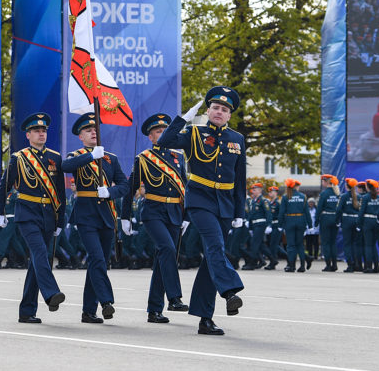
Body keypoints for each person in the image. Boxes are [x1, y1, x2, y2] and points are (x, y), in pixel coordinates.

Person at [157, 86, 245, 336]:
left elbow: (240, 178)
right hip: (200, 201)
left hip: (225, 204)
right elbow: (164, 142)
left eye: (225, 109)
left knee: (210, 262)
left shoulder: (237, 139)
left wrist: (240, 211)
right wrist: (182, 119)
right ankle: (230, 290)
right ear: (208, 110)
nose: (219, 111)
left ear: (229, 115)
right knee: (215, 246)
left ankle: (205, 319)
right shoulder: (193, 132)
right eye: (216, 107)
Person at [0, 112, 67, 323]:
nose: (41, 134)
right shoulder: (19, 157)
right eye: (36, 131)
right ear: (28, 135)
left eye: (44, 130)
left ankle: (27, 311)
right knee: (40, 253)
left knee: (37, 263)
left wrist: (60, 221)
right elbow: (4, 186)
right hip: (27, 214)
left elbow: (60, 193)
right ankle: (51, 293)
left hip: (48, 216)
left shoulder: (55, 158)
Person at [122, 113, 189, 323]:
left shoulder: (178, 157)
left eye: (165, 130)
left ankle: (154, 310)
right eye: (158, 132)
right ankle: (174, 297)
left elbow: (185, 187)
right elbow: (131, 188)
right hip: (153, 212)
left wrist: (187, 215)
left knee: (163, 259)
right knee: (167, 249)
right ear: (150, 137)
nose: (163, 134)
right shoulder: (143, 158)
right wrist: (125, 216)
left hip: (175, 213)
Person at [62, 113, 128, 324]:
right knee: (97, 258)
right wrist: (91, 156)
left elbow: (124, 186)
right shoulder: (77, 155)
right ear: (81, 136)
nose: (93, 133)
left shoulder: (111, 158)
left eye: (95, 130)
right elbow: (66, 167)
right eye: (88, 131)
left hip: (107, 215)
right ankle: (106, 302)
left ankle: (88, 311)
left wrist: (110, 192)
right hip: (86, 215)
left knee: (97, 262)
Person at [279, 179, 312, 272]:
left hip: (289, 221)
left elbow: (282, 212)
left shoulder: (285, 197)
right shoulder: (303, 196)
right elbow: (307, 212)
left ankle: (292, 266)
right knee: (300, 244)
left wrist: (279, 224)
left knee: (290, 245)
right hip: (301, 220)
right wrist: (310, 225)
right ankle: (302, 266)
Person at [336, 178, 361, 272]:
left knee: (347, 244)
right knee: (354, 243)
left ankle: (350, 265)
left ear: (347, 186)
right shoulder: (358, 196)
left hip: (347, 221)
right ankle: (356, 264)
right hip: (356, 220)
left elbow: (338, 210)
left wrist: (337, 220)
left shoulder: (344, 196)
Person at [317, 175, 340, 271]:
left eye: (323, 181)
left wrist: (316, 220)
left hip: (326, 218)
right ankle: (334, 264)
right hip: (335, 218)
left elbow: (319, 208)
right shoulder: (337, 193)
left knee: (326, 243)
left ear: (326, 182)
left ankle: (328, 265)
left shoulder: (324, 193)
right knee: (333, 243)